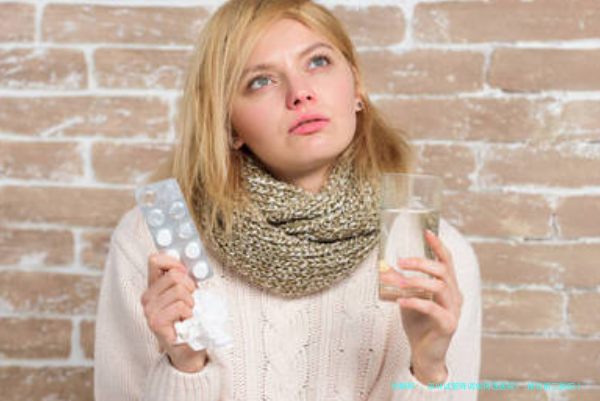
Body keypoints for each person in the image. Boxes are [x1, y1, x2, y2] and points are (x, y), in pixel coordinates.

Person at [94, 0, 482, 400]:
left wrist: (429, 370)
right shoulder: (153, 244)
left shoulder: (434, 258)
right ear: (228, 124)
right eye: (260, 81)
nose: (301, 94)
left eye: (317, 61)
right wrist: (185, 368)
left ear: (356, 86)